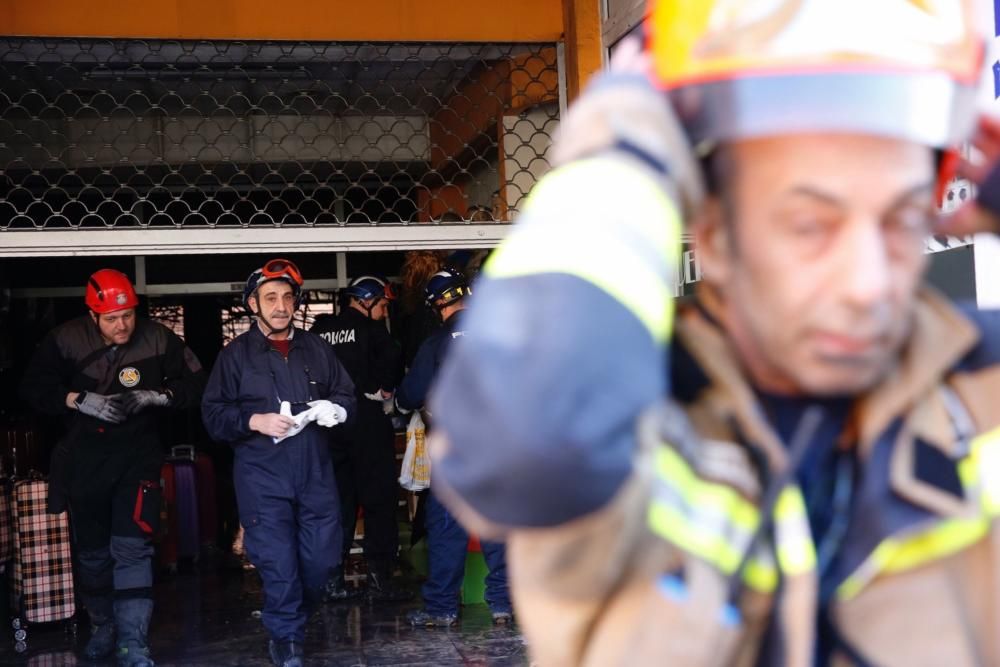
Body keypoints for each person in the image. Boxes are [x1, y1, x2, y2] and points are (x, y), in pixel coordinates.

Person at [427, 1, 1000, 665]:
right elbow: (521, 453)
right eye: (811, 226)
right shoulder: (626, 416)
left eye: (900, 220)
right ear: (714, 236)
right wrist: (624, 154)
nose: (869, 283)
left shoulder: (977, 387)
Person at [20, 268, 206, 667]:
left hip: (137, 458)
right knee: (92, 556)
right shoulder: (65, 340)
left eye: (128, 315)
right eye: (111, 318)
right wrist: (76, 399)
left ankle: (133, 643)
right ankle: (103, 626)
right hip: (84, 463)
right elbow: (32, 387)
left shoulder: (158, 338)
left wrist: (160, 395)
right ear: (93, 315)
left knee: (131, 548)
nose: (122, 325)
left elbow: (198, 384)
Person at [201, 258, 355, 667]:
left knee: (322, 561)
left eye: (288, 297)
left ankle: (294, 618)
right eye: (271, 297)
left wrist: (335, 409)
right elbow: (213, 415)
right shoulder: (235, 357)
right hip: (262, 476)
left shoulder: (317, 348)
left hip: (315, 473)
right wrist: (253, 419)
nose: (281, 305)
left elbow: (347, 394)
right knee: (279, 564)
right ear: (253, 303)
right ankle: (286, 639)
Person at [396, 269, 513, 627]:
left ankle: (442, 608)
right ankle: (503, 606)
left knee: (447, 530)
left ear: (437, 306)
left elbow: (409, 395)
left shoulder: (435, 345)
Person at [310, 275, 408, 601]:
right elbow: (395, 355)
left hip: (328, 425)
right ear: (364, 301)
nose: (383, 311)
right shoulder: (373, 331)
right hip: (367, 421)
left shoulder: (320, 332)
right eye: (381, 305)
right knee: (379, 500)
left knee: (338, 504)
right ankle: (380, 580)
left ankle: (332, 580)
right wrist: (385, 388)